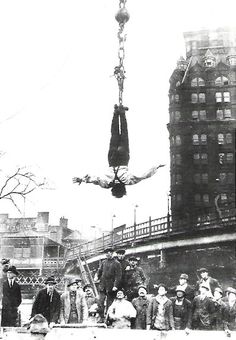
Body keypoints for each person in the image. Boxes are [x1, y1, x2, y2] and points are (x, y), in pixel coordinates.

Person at [73, 104, 165, 198]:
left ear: (123, 189)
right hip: (112, 159)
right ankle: (116, 113)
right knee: (114, 134)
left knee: (124, 133)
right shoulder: (107, 183)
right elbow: (95, 180)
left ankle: (122, 113)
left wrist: (156, 167)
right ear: (113, 190)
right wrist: (82, 180)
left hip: (123, 159)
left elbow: (143, 175)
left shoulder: (128, 181)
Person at [94, 247, 122, 322]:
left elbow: (118, 276)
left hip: (111, 286)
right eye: (106, 253)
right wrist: (97, 277)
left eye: (108, 252)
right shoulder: (103, 262)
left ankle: (109, 319)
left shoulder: (117, 263)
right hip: (102, 285)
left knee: (110, 303)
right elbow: (99, 271)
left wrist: (115, 286)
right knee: (100, 301)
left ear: (112, 253)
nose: (107, 254)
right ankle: (101, 317)